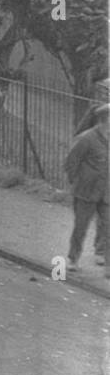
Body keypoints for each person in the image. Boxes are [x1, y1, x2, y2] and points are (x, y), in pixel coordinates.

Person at [63, 104, 109, 273]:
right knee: (81, 227)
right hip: (86, 192)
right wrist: (77, 182)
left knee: (107, 227)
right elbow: (71, 162)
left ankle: (105, 260)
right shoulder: (87, 138)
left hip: (106, 192)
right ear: (106, 120)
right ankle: (73, 259)